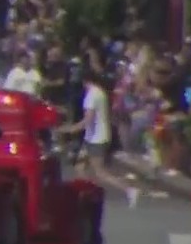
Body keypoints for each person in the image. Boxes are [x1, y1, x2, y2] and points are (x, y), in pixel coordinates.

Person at [56, 69, 139, 208]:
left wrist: (68, 129)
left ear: (84, 81)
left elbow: (87, 121)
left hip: (96, 138)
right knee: (80, 167)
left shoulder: (91, 96)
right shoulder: (100, 92)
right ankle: (86, 196)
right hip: (92, 137)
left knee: (100, 172)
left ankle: (128, 189)